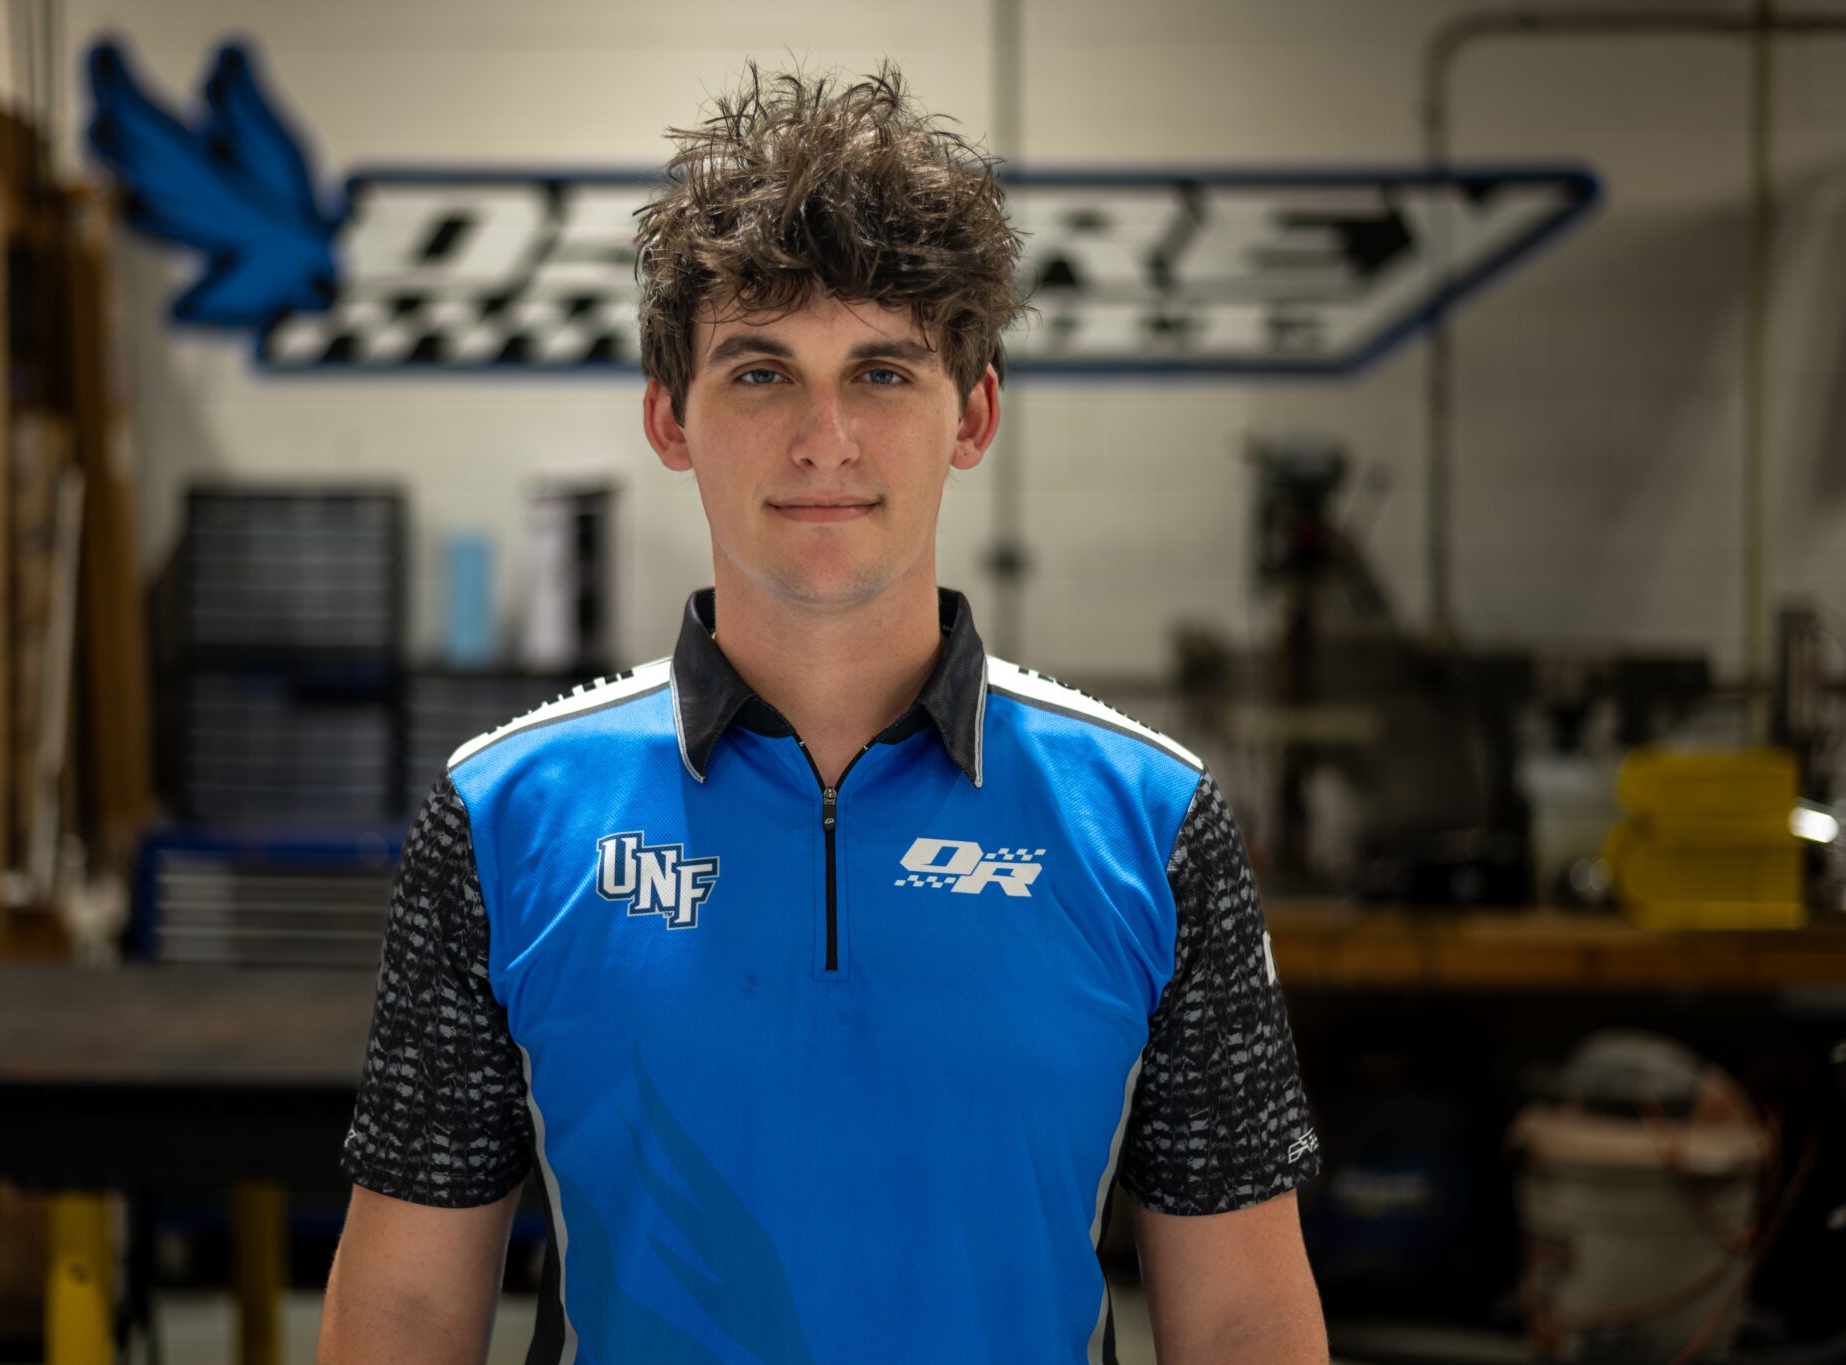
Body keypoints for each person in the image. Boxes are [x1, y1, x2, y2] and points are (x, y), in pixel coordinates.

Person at [317, 61, 1326, 1365]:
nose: (825, 438)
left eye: (883, 373)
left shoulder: (1152, 822)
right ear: (669, 418)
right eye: (760, 373)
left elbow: (1243, 1321)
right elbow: (403, 1312)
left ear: (973, 414)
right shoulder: (503, 818)